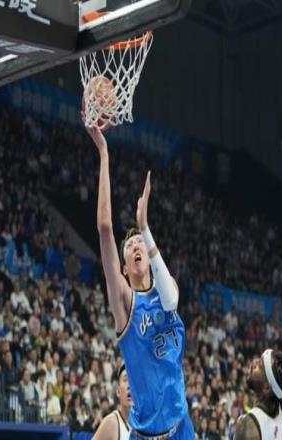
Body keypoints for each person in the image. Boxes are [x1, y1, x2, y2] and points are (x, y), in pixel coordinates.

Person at [85, 121, 193, 439]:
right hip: (147, 434)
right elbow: (105, 228)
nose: (135, 247)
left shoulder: (168, 288)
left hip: (182, 426)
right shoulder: (125, 303)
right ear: (124, 269)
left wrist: (143, 228)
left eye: (139, 244)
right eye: (129, 246)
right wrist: (104, 154)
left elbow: (171, 300)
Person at [234, 349, 282, 440]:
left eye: (260, 366)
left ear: (266, 388)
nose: (255, 362)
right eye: (259, 359)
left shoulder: (248, 424)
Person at [93, 365, 132, 440]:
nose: (129, 385)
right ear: (118, 391)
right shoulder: (111, 422)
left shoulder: (146, 424)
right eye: (125, 379)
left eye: (133, 380)